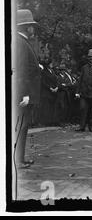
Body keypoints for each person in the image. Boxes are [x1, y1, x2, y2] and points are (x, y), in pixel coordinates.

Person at [12, 9, 41, 170]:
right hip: (24, 94)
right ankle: (18, 160)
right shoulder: (21, 43)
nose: (33, 29)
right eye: (31, 26)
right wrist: (24, 93)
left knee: (22, 126)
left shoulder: (21, 42)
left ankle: (19, 158)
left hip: (24, 92)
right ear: (26, 27)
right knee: (21, 127)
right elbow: (21, 70)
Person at [38, 58, 58, 126]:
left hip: (53, 92)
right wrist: (50, 88)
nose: (52, 64)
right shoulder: (44, 72)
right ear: (47, 65)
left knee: (52, 108)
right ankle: (45, 122)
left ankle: (51, 121)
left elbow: (56, 80)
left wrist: (56, 87)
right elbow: (43, 82)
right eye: (51, 63)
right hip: (46, 92)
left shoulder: (52, 71)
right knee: (46, 108)